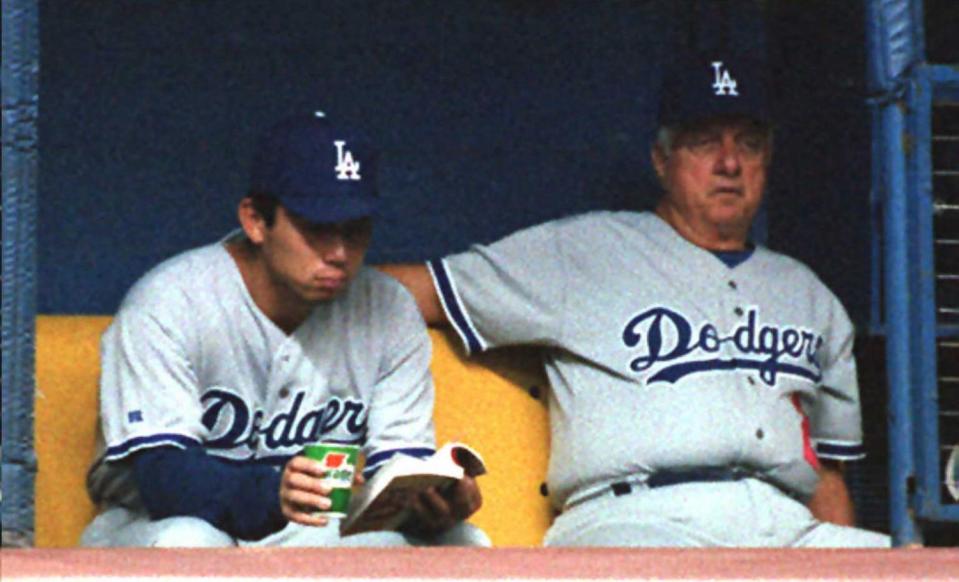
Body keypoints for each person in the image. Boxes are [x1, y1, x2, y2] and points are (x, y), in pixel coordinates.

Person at [382, 53, 891, 547]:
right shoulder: (582, 252)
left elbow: (826, 478)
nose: (730, 163)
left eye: (750, 145)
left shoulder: (811, 296)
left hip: (785, 527)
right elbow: (411, 291)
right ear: (661, 161)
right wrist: (307, 284)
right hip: (636, 521)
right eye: (705, 143)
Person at [81, 112, 488, 548]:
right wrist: (271, 491)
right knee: (191, 541)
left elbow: (394, 468)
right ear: (256, 220)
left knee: (463, 541)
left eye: (355, 230)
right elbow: (163, 478)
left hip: (311, 531)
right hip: (154, 526)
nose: (339, 253)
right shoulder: (170, 302)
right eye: (317, 228)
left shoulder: (388, 310)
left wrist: (431, 500)